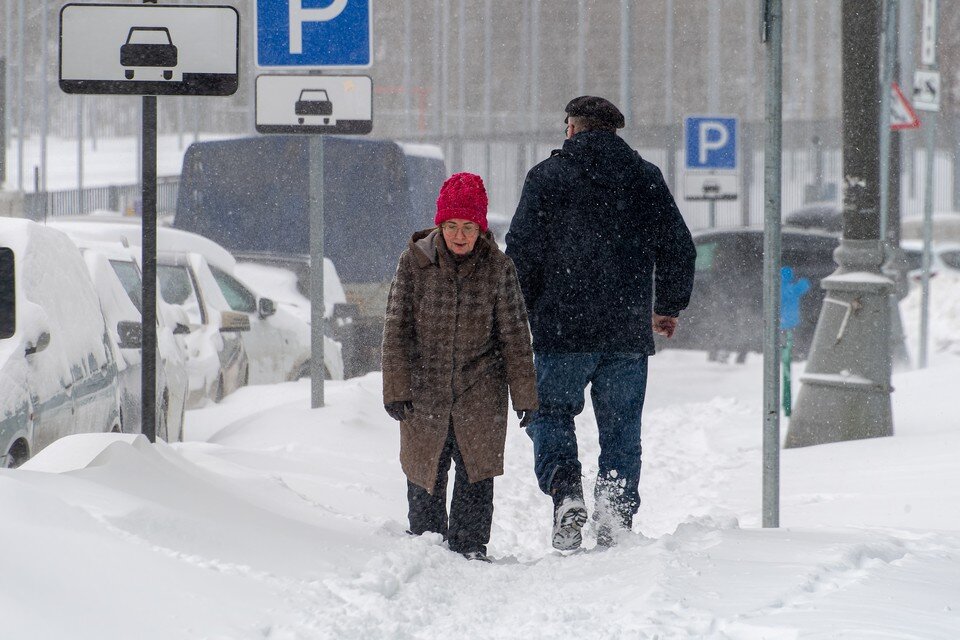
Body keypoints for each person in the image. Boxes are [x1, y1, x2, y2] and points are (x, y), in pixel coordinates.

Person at [505, 96, 696, 550]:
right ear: (613, 131)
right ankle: (615, 511)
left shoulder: (546, 177)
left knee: (551, 414)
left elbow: (521, 251)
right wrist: (667, 306)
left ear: (572, 128)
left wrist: (523, 311)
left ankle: (565, 491)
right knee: (622, 429)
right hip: (626, 332)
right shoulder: (645, 177)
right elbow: (679, 246)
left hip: (561, 331)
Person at [382, 172, 539, 562]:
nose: (459, 235)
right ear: (440, 224)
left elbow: (515, 337)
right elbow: (397, 329)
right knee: (425, 469)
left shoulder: (499, 268)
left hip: (480, 390)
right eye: (451, 225)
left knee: (475, 471)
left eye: (469, 227)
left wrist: (525, 396)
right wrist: (396, 388)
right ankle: (427, 541)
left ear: (481, 228)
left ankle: (470, 545)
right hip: (425, 389)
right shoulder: (414, 262)